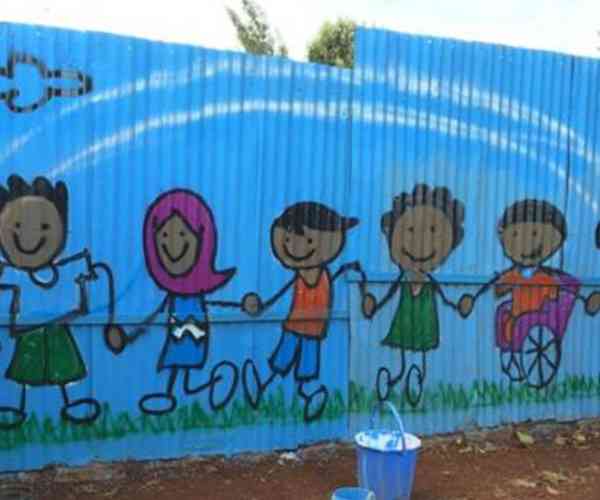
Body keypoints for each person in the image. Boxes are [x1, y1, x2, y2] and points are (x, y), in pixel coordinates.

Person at [0, 175, 120, 428]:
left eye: (45, 227)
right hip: (29, 335)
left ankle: (69, 404)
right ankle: (20, 409)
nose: (29, 237)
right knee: (26, 371)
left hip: (56, 332)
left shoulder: (67, 269)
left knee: (63, 368)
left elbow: (83, 303)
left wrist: (85, 283)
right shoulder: (13, 275)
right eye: (17, 226)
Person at [111, 189, 239, 416]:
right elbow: (154, 315)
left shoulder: (196, 295)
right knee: (176, 363)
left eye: (182, 234)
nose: (173, 244)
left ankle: (199, 388)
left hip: (194, 333)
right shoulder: (172, 295)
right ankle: (175, 393)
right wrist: (131, 335)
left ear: (203, 238)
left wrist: (241, 306)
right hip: (177, 334)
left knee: (187, 367)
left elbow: (217, 305)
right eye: (164, 236)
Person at [241, 201, 362, 422]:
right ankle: (262, 386)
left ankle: (307, 396)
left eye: (309, 241)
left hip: (313, 332)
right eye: (288, 240)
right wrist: (259, 306)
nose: (296, 247)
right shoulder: (299, 277)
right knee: (280, 362)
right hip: (293, 326)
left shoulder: (324, 275)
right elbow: (278, 295)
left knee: (306, 370)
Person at [362, 184, 466, 406]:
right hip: (405, 319)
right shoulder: (403, 279)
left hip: (425, 321)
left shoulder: (430, 282)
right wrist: (373, 306)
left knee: (420, 356)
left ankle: (415, 379)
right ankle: (395, 378)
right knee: (402, 356)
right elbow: (388, 296)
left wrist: (459, 306)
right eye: (409, 231)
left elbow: (446, 298)